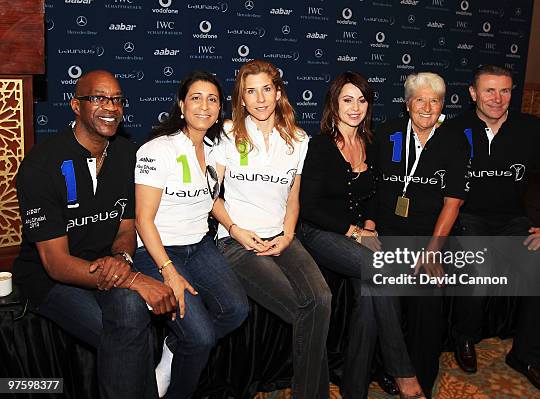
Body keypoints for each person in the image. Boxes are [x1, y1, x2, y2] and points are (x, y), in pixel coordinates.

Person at [12, 70, 176, 399]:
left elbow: (126, 226)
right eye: (99, 98)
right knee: (126, 335)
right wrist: (132, 279)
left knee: (129, 317)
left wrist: (122, 259)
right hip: (52, 280)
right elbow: (56, 263)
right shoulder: (41, 165)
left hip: (110, 265)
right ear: (75, 105)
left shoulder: (128, 154)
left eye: (117, 100)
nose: (111, 107)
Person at [447, 65, 540, 395]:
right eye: (489, 90)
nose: (497, 98)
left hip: (513, 221)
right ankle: (464, 337)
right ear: (473, 94)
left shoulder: (532, 128)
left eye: (504, 91)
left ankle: (527, 359)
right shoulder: (454, 128)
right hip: (468, 217)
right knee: (479, 267)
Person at [298, 71, 425, 399]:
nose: (355, 107)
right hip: (321, 233)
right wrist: (353, 231)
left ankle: (355, 388)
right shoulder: (321, 146)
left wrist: (369, 225)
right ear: (333, 104)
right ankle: (403, 371)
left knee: (371, 294)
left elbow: (374, 197)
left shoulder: (371, 143)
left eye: (362, 99)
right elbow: (308, 207)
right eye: (347, 99)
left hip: (358, 234)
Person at [213, 60, 332, 399]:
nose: (260, 99)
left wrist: (288, 235)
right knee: (305, 311)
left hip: (282, 237)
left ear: (278, 93)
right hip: (237, 242)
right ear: (242, 98)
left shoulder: (298, 138)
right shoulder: (226, 133)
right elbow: (210, 196)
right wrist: (235, 230)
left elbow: (293, 197)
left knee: (321, 298)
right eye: (251, 91)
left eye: (267, 89)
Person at [133, 70, 249, 399]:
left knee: (237, 311)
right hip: (157, 249)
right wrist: (168, 271)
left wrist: (240, 229)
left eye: (212, 99)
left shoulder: (215, 149)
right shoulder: (158, 150)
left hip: (199, 245)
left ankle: (174, 345)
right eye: (195, 98)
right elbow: (143, 219)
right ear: (182, 106)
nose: (204, 106)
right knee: (199, 338)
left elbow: (211, 199)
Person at [374, 72, 470, 398]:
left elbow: (453, 202)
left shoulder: (454, 139)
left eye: (435, 100)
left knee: (426, 298)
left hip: (429, 235)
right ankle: (389, 371)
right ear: (408, 103)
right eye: (420, 99)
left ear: (443, 104)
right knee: (383, 295)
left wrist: (432, 251)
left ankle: (422, 379)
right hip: (386, 234)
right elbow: (369, 189)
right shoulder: (388, 134)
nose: (427, 107)